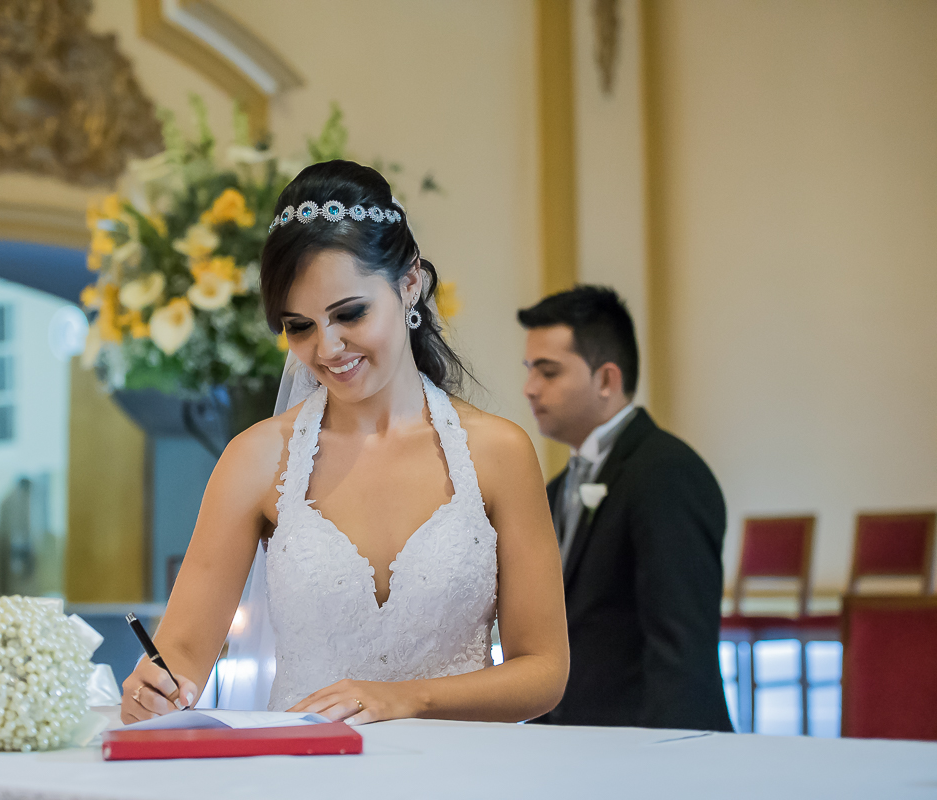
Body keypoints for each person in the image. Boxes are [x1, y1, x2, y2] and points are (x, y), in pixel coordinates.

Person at [122, 160, 569, 724]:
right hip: (303, 776)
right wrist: (155, 689)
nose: (328, 348)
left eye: (349, 313)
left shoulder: (499, 453)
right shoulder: (257, 460)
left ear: (410, 284)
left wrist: (408, 699)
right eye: (300, 326)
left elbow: (544, 669)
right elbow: (182, 654)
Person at [517, 285, 732, 731]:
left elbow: (680, 646)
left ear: (607, 380)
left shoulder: (666, 472)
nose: (530, 388)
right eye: (529, 370)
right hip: (581, 746)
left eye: (548, 372)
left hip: (649, 750)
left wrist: (661, 764)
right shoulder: (558, 488)